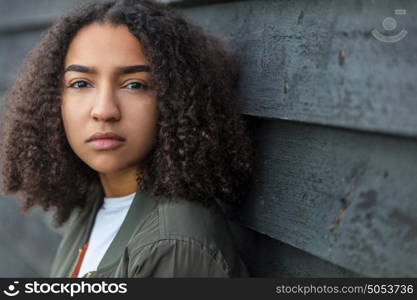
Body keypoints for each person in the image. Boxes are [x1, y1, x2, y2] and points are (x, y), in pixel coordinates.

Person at [0, 0, 254, 278]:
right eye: (81, 83)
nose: (104, 110)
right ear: (53, 101)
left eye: (134, 85)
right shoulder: (97, 201)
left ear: (175, 100)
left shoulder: (175, 246)